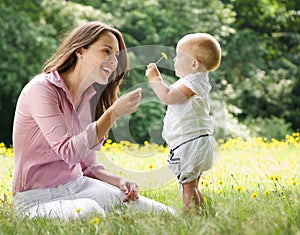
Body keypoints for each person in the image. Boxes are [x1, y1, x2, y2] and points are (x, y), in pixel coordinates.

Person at [12, 21, 175, 220]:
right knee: (90, 211)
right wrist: (111, 115)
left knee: (165, 215)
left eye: (116, 55)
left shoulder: (89, 97)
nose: (114, 61)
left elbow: (86, 165)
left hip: (80, 186)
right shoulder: (42, 89)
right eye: (106, 51)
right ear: (80, 51)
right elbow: (69, 152)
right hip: (37, 198)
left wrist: (118, 180)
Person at [145, 33, 221, 212]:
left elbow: (167, 96)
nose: (174, 59)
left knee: (188, 187)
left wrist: (155, 79)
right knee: (192, 186)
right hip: (197, 142)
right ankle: (200, 215)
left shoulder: (192, 81)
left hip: (191, 143)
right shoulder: (196, 80)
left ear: (194, 64)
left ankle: (189, 220)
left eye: (179, 56)